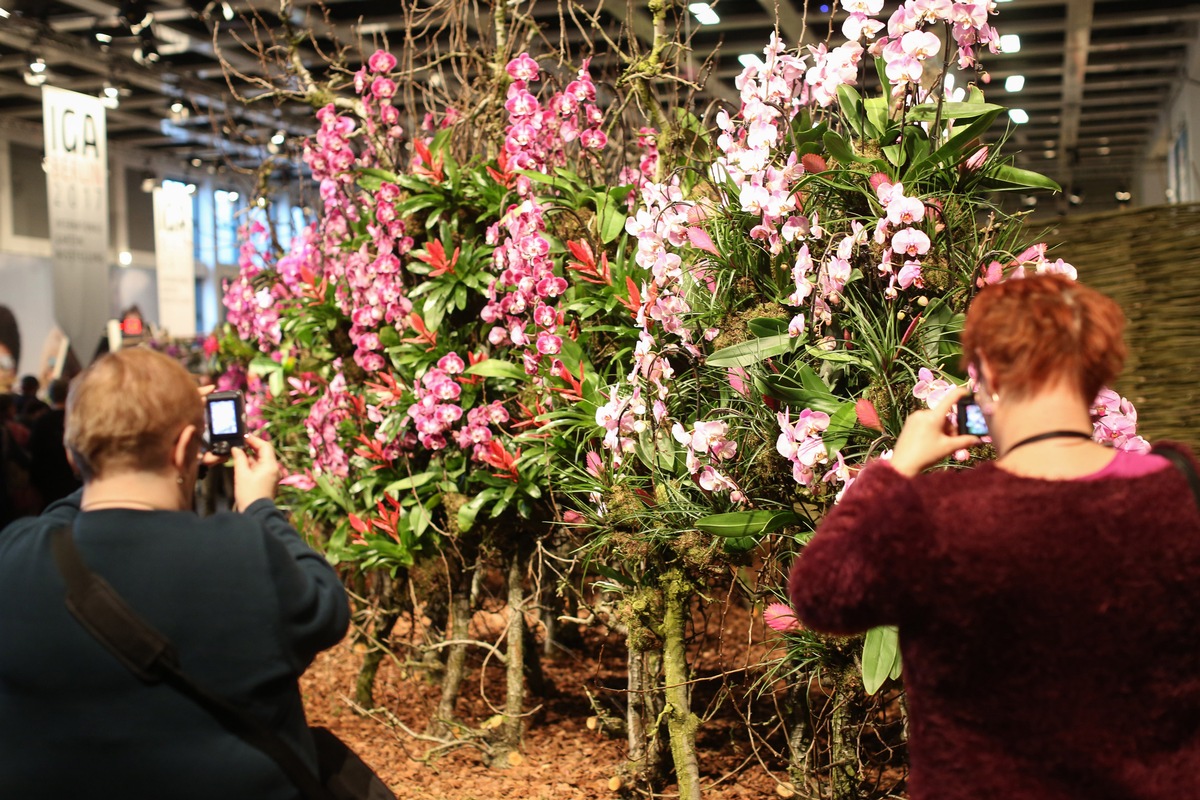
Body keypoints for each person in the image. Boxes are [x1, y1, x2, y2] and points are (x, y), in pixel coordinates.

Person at [789, 273, 1200, 800]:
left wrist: (897, 467)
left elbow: (820, 594)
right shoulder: (1179, 488)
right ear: (1097, 373)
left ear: (984, 377)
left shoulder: (937, 515)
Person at [0, 348, 350, 798]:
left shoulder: (13, 558)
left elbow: (59, 521)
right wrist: (261, 508)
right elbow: (328, 607)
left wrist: (122, 456)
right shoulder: (243, 554)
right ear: (188, 446)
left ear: (72, 458)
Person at [27, 378, 81, 509]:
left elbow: (34, 451)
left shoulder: (41, 421)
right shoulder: (77, 421)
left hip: (46, 479)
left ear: (50, 396)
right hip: (71, 479)